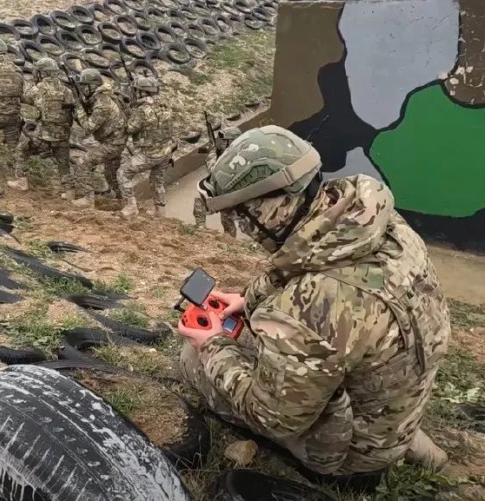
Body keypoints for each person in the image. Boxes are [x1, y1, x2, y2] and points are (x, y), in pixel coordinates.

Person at [179, 125, 451, 486]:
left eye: (245, 214)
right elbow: (303, 261)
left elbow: (271, 416)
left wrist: (211, 345)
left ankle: (363, 460)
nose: (244, 226)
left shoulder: (311, 306)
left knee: (191, 356)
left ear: (272, 205)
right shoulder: (372, 224)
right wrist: (250, 298)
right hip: (395, 402)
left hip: (352, 457)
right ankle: (406, 441)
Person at [7, 58, 74, 192]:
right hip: (62, 134)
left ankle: (21, 181)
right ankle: (69, 192)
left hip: (43, 135)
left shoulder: (38, 89)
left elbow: (26, 98)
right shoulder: (67, 91)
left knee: (22, 150)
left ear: (42, 73)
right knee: (63, 164)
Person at [118, 75, 174, 218]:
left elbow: (130, 129)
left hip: (150, 154)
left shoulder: (142, 109)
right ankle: (160, 210)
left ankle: (131, 207)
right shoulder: (164, 105)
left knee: (123, 173)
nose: (136, 93)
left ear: (143, 92)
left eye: (137, 91)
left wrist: (128, 113)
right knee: (157, 181)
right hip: (166, 151)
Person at [71, 68, 127, 208]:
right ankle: (122, 200)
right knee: (110, 173)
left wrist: (78, 109)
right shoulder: (101, 98)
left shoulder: (102, 104)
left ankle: (88, 199)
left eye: (85, 85)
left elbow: (88, 129)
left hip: (112, 143)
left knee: (84, 163)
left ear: (94, 85)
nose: (83, 88)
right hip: (116, 141)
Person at [193, 126, 241, 237]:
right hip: (224, 191)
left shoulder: (235, 155)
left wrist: (211, 154)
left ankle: (229, 238)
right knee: (200, 202)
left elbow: (215, 172)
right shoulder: (230, 152)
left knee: (226, 214)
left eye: (224, 140)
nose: (221, 142)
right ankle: (201, 230)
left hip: (232, 194)